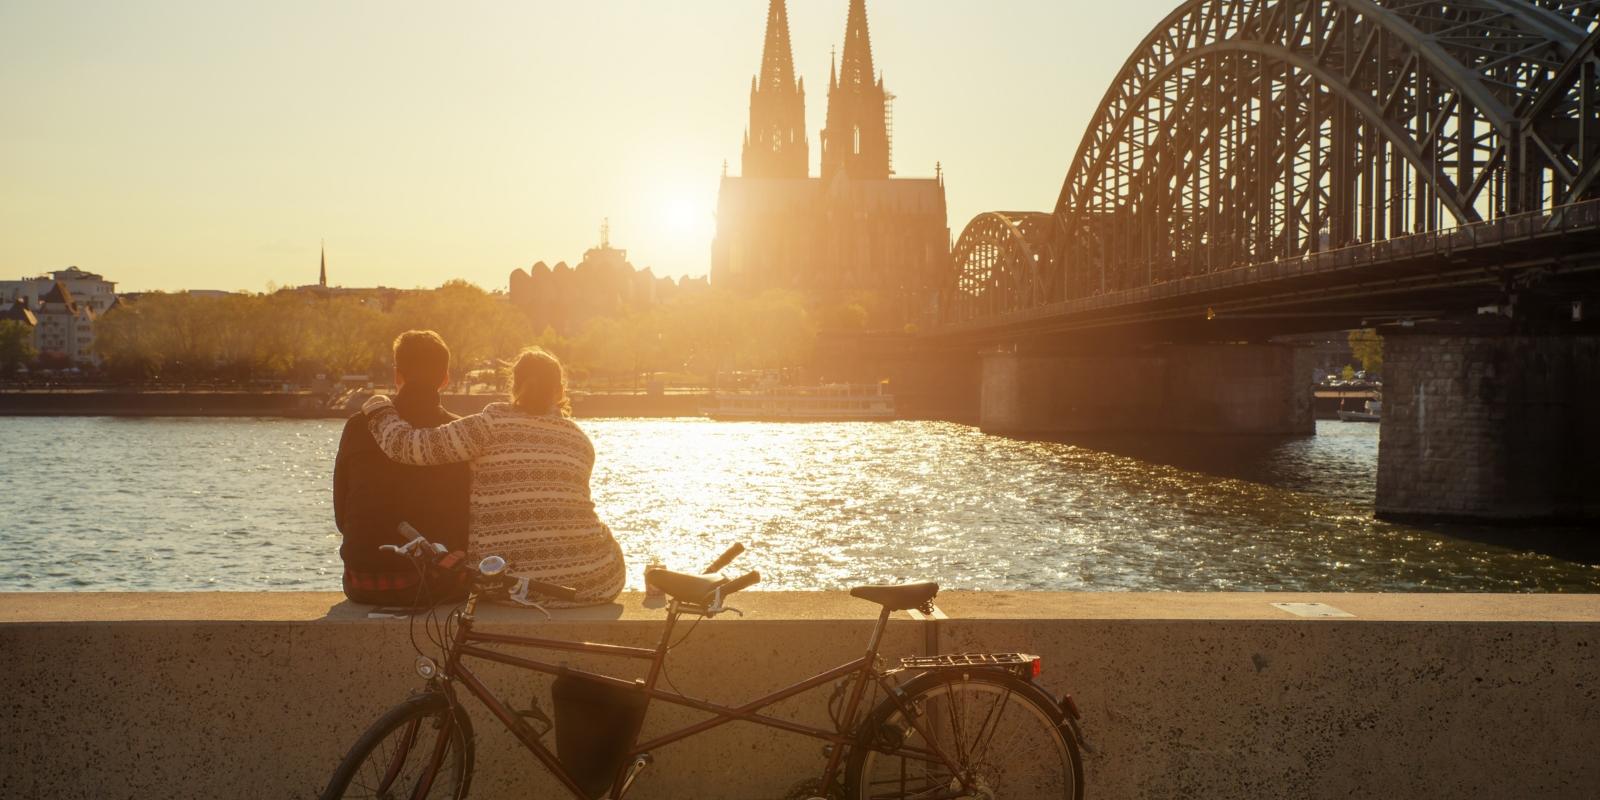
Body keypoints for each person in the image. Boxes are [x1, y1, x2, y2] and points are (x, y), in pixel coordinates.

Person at [360, 347, 626, 606]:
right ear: (559, 391)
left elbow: (407, 446)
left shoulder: (488, 425)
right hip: (592, 581)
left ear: (514, 387)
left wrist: (378, 407)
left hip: (503, 583)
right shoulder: (579, 439)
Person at [333, 330, 472, 607]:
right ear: (445, 379)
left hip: (362, 581)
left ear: (398, 375)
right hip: (437, 581)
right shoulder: (457, 434)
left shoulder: (358, 426)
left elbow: (341, 516)